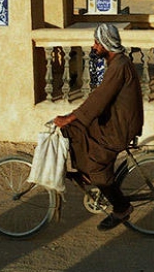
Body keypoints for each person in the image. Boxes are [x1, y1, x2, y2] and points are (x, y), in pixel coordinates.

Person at [54, 23, 144, 231]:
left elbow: (100, 99)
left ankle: (121, 208)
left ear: (106, 44)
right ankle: (86, 173)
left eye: (97, 43)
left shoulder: (119, 65)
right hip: (114, 119)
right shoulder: (116, 62)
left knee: (97, 165)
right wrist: (72, 120)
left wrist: (70, 116)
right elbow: (100, 98)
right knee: (75, 130)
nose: (94, 47)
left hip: (119, 126)